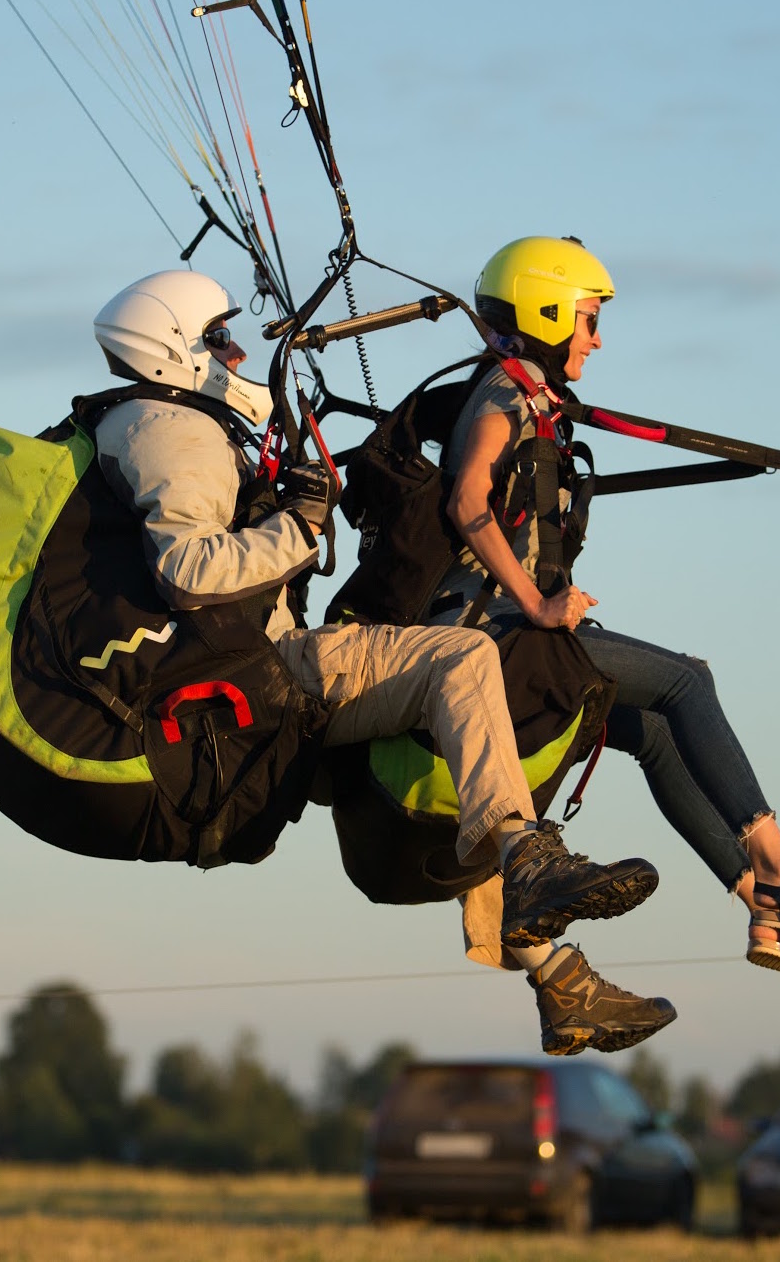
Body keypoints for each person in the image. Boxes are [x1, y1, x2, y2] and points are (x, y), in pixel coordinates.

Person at [88, 269, 678, 1052]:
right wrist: (297, 527)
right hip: (263, 669)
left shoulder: (169, 421)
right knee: (460, 658)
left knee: (465, 720)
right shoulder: (171, 431)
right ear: (173, 348)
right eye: (218, 337)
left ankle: (561, 982)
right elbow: (185, 571)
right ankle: (530, 862)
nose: (234, 350)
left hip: (258, 661)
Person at [434, 236, 780, 988]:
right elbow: (466, 499)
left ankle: (765, 911)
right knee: (686, 681)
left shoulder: (528, 395)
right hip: (482, 639)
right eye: (586, 320)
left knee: (654, 734)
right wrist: (540, 604)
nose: (596, 338)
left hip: (510, 630)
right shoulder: (502, 393)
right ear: (545, 313)